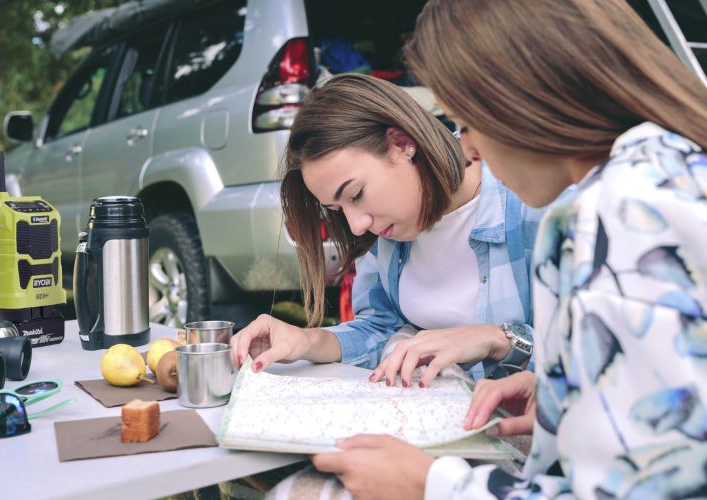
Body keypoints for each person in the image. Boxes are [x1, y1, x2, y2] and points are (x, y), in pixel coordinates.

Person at [308, 0, 707, 498]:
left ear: (523, 96)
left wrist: (431, 485)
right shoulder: (669, 170)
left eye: (467, 121)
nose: (468, 147)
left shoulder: (612, 216)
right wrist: (560, 393)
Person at [231, 72, 543, 386]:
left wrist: (498, 340)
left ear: (402, 144)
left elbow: (586, 358)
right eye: (339, 210)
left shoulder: (537, 205)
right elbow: (379, 329)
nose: (356, 226)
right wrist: (305, 341)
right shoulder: (389, 231)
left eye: (356, 195)